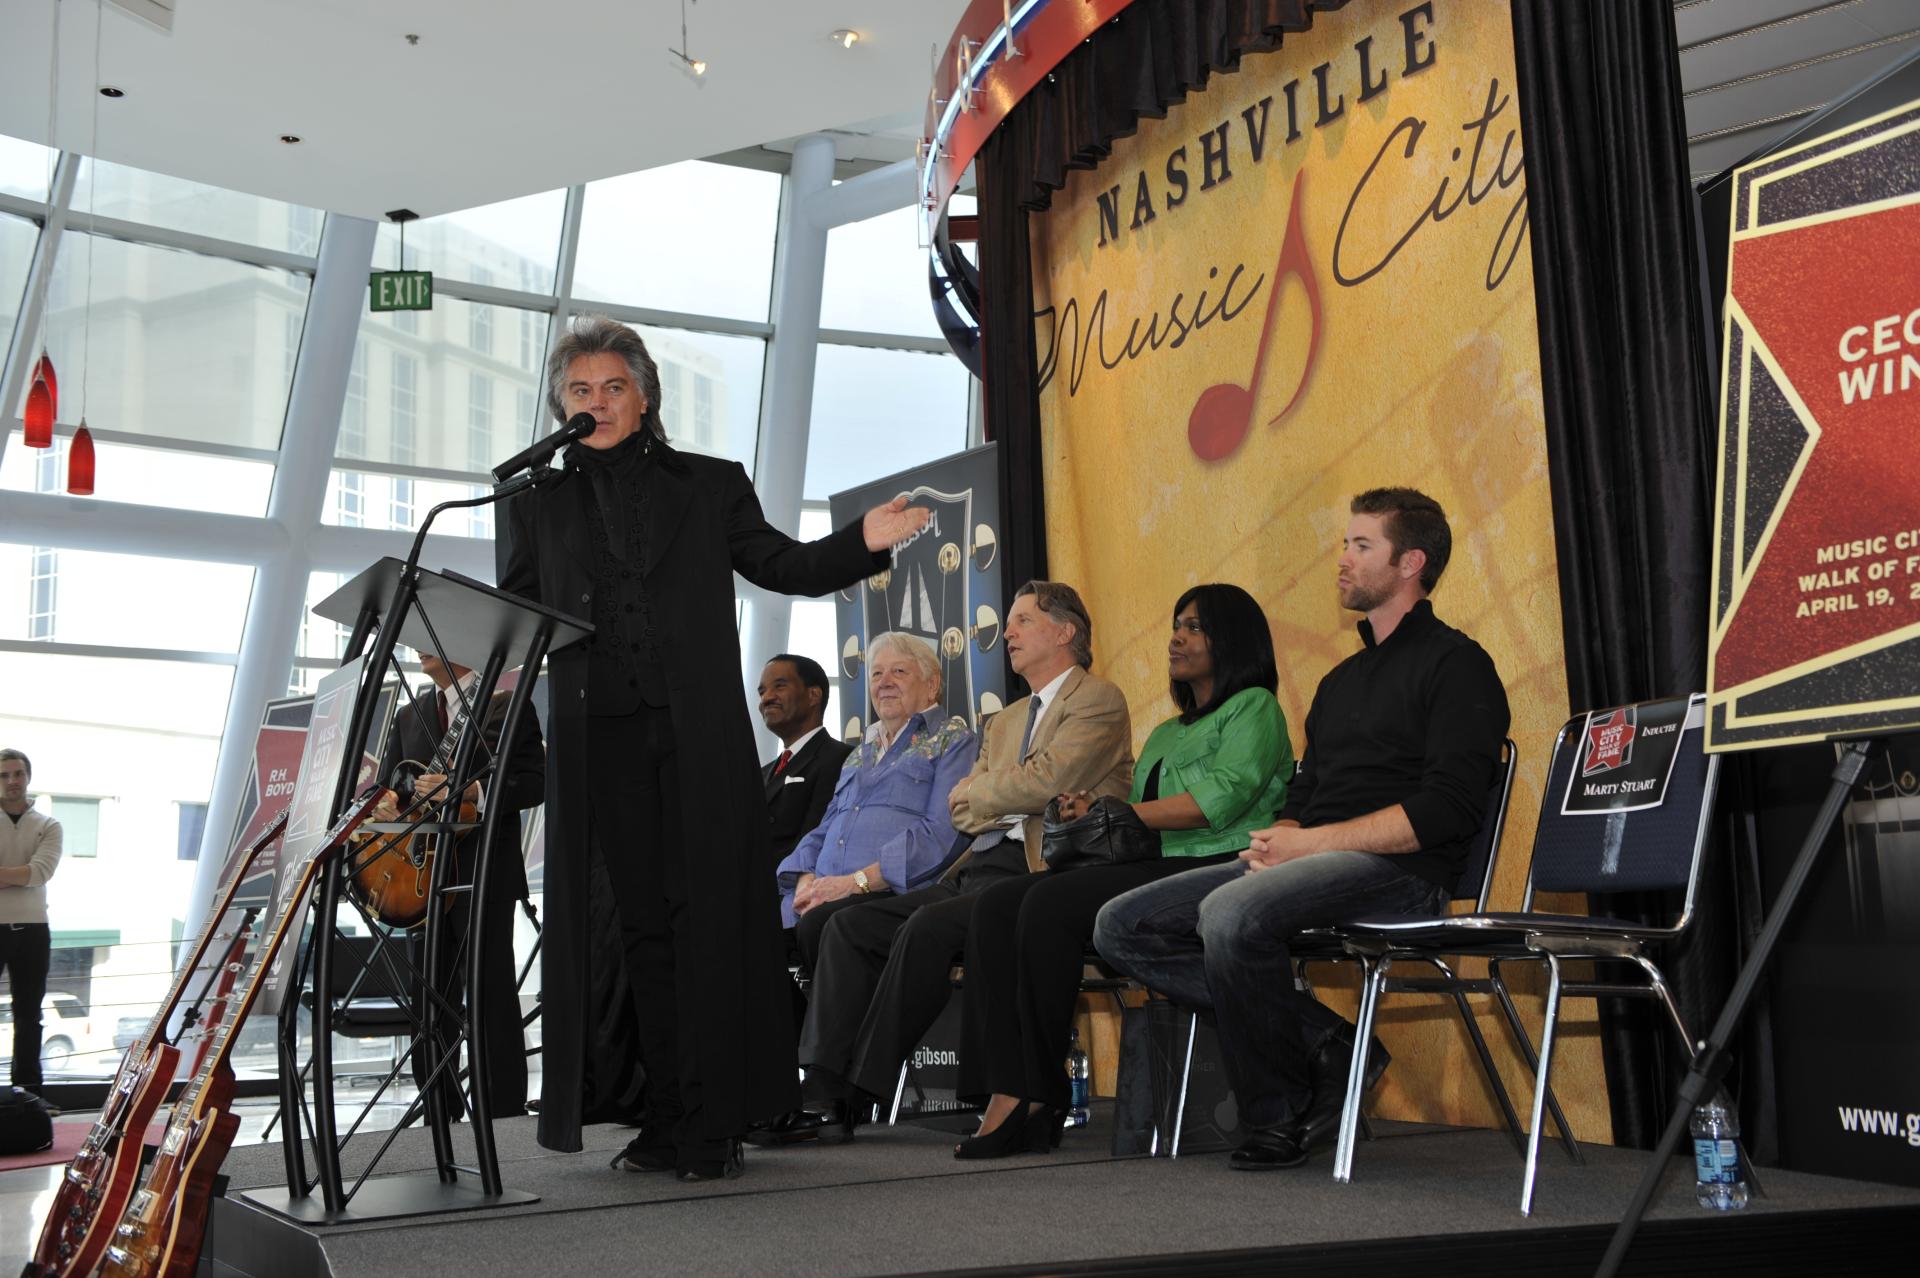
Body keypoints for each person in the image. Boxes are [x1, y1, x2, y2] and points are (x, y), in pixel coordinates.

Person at [498, 314, 928, 1182]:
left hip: (694, 736)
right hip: (602, 740)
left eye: (613, 386)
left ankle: (715, 1119)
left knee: (708, 926)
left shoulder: (707, 485)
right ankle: (664, 1114)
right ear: (560, 405)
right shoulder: (531, 499)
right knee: (641, 934)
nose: (597, 402)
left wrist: (861, 544)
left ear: (645, 395)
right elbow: (519, 615)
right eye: (579, 391)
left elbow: (783, 564)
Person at [1095, 489, 1509, 1170]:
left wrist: (1306, 844)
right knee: (1120, 926)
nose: (1342, 559)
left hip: (1406, 876)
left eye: (1361, 546)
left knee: (1229, 913)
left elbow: (1448, 811)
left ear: (1411, 563)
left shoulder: (1458, 665)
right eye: (1345, 543)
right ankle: (1330, 1043)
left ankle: (1275, 1115)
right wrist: (1278, 838)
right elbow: (1307, 793)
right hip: (1316, 862)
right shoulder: (1341, 681)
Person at [768, 582, 1134, 1144]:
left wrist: (989, 793)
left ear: (1065, 633)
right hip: (971, 865)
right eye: (1008, 621)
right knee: (848, 925)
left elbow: (1040, 785)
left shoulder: (1097, 700)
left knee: (924, 928)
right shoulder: (1005, 720)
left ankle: (844, 1092)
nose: (1006, 632)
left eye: (1022, 621)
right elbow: (970, 809)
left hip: (1040, 868)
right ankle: (821, 1084)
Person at [953, 584, 1293, 1159]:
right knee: (997, 904)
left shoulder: (1255, 707)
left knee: (1047, 906)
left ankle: (1036, 1094)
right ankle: (1010, 1087)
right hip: (1155, 863)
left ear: (1231, 639)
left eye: (1193, 627)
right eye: (1174, 626)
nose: (1176, 639)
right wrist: (1089, 815)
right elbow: (1132, 825)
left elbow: (1223, 798)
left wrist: (1118, 811)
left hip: (1226, 861)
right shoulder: (1166, 732)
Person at [372, 653, 545, 1120]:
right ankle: (438, 1109)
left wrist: (472, 792)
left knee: (488, 989)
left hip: (482, 871)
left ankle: (502, 1110)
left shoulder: (504, 705)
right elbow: (393, 785)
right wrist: (386, 804)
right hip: (420, 876)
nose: (422, 649)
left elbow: (534, 783)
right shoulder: (410, 714)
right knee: (426, 995)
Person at [774, 633, 976, 959]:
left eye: (899, 672)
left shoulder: (953, 740)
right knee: (739, 934)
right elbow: (824, 828)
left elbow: (943, 831)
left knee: (819, 927)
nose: (885, 682)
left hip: (888, 894)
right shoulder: (859, 754)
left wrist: (854, 882)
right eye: (876, 674)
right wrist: (804, 879)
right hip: (821, 895)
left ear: (932, 684)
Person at [0, 748, 62, 1101]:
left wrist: (26, 875)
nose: (11, 781)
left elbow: (41, 872)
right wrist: (22, 876)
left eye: (17, 774)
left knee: (29, 1017)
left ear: (28, 777)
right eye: (4, 775)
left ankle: (29, 1097)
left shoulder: (48, 826)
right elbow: (30, 874)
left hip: (32, 931)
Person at [757, 654, 852, 868]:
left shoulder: (842, 759)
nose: (766, 698)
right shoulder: (761, 773)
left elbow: (815, 840)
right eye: (762, 692)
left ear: (813, 695)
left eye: (779, 686)